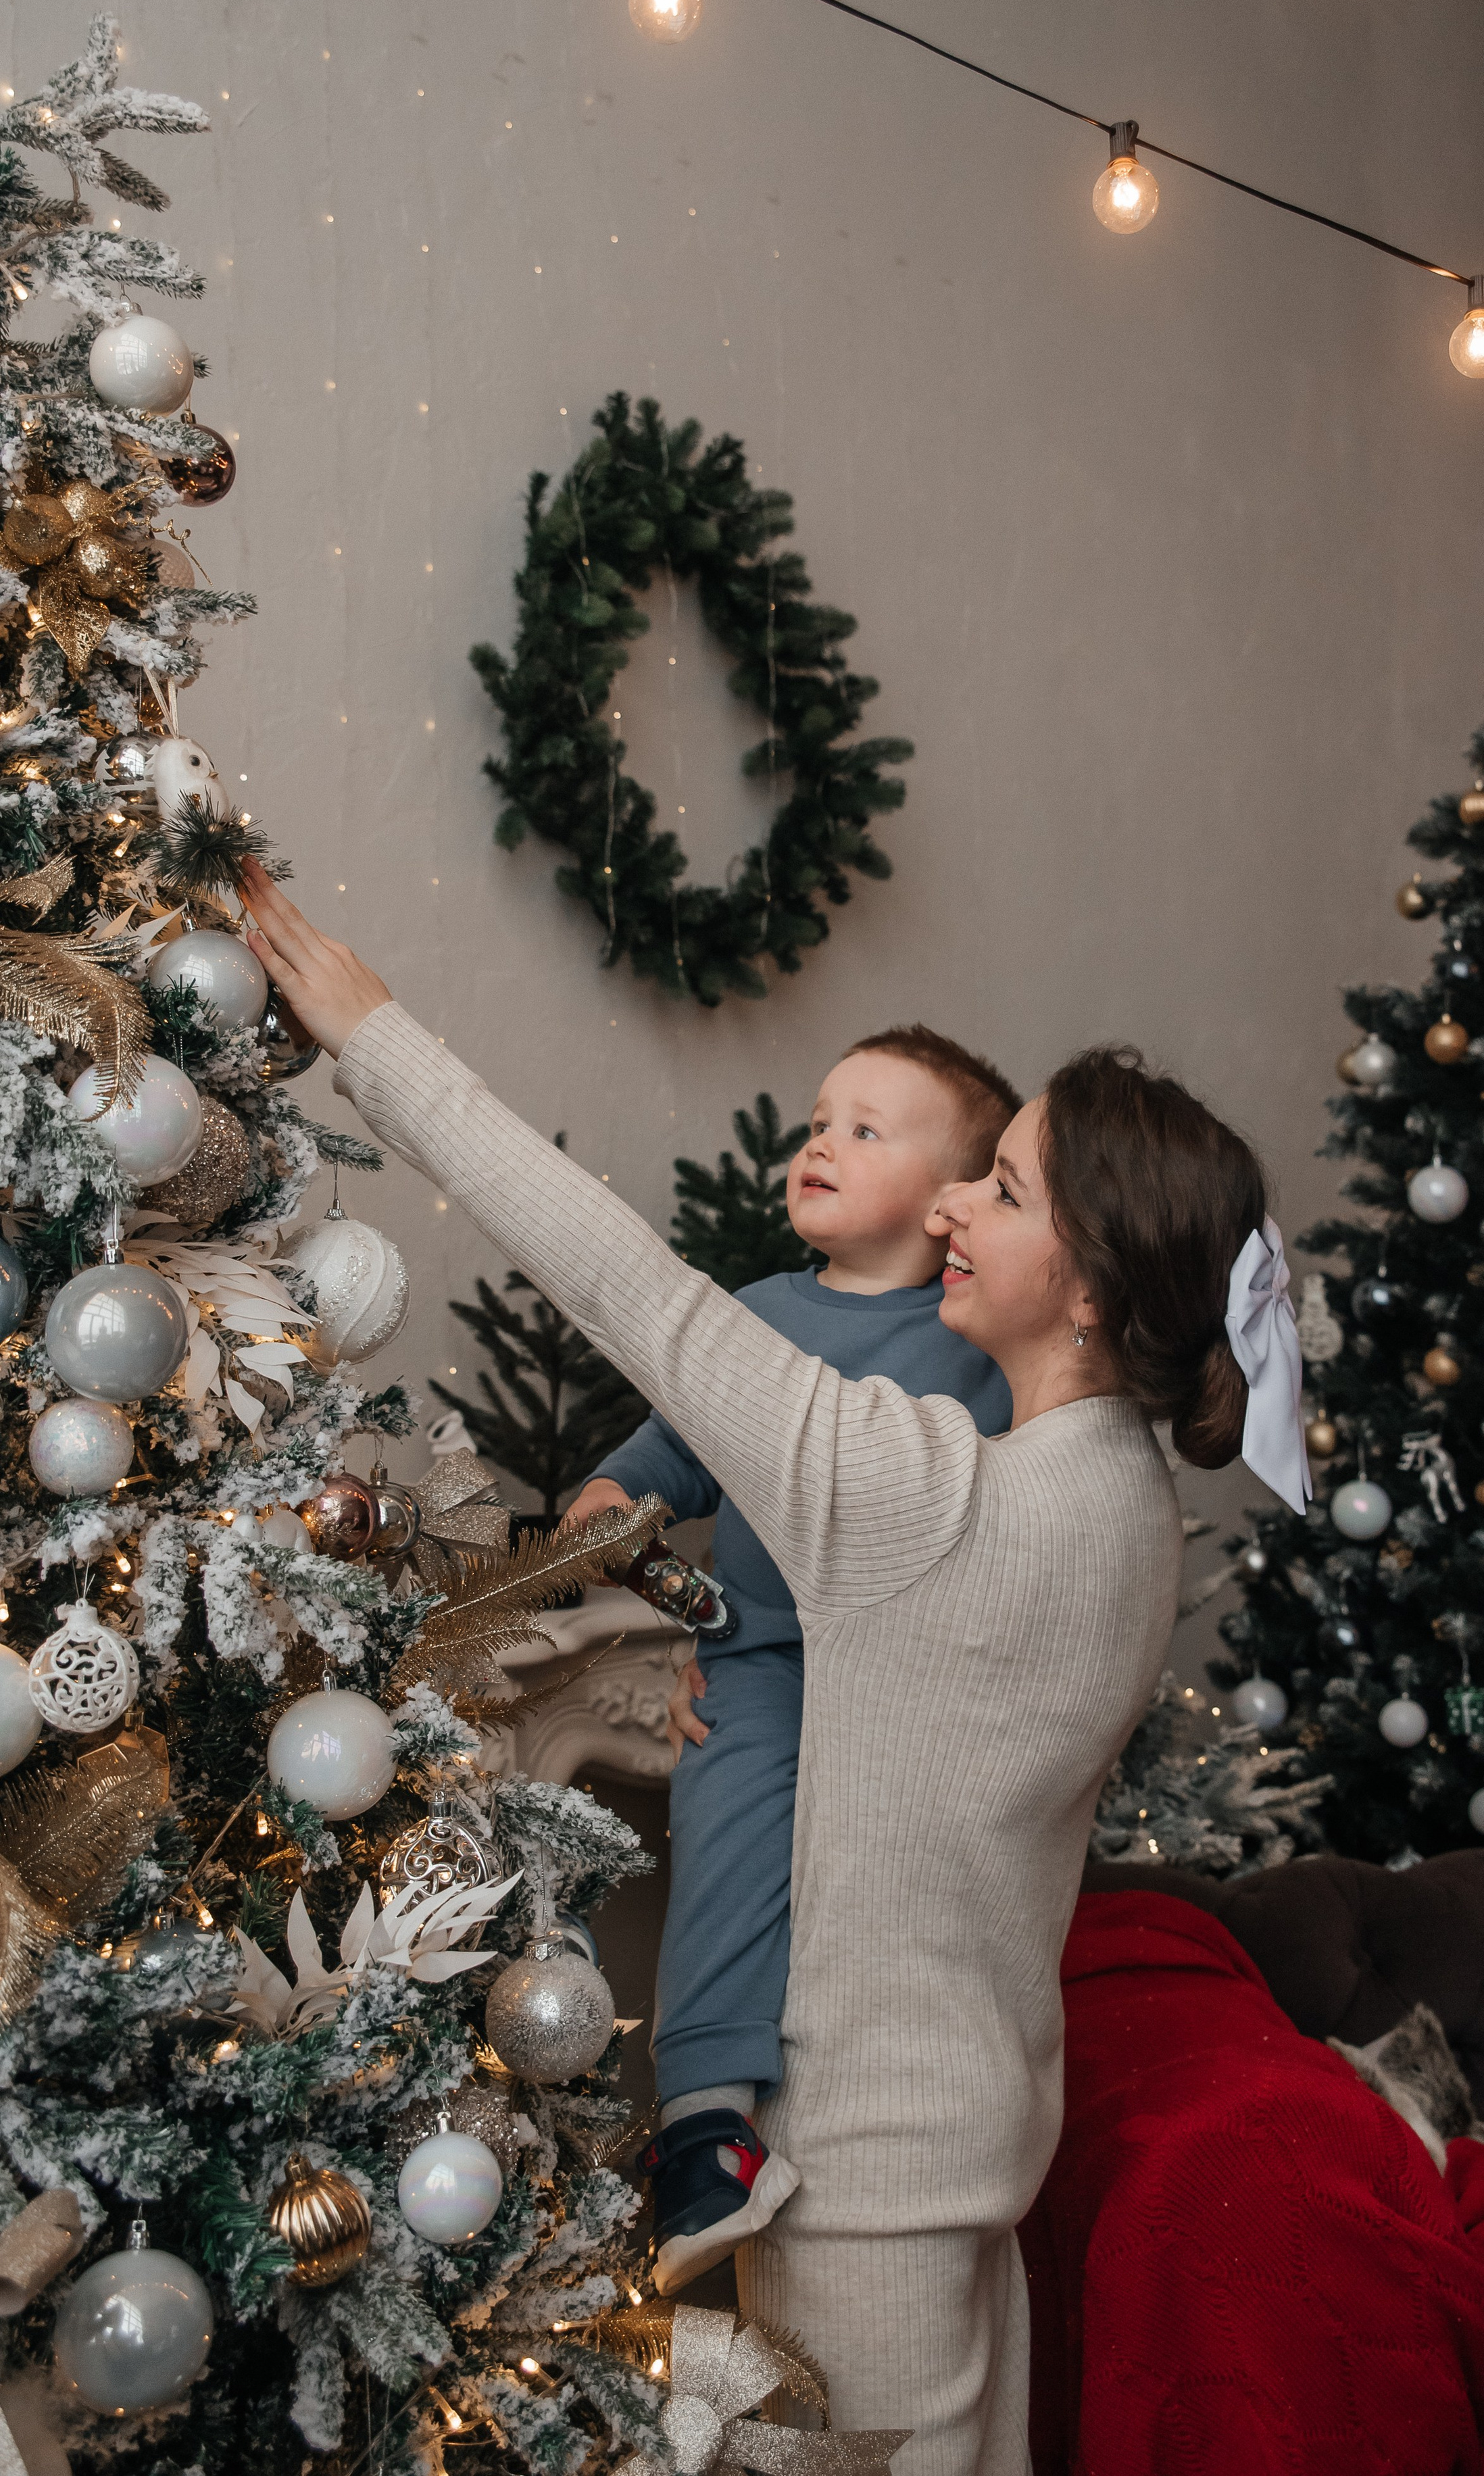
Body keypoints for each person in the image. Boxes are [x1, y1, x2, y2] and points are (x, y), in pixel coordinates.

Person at [241, 858, 1310, 2476]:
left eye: (1001, 1190)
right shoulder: (1116, 1501)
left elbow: (625, 1285)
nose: (951, 1204)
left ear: (1087, 1290)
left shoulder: (929, 1498)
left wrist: (368, 1035)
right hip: (971, 2143)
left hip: (864, 2179)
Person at [566, 1027, 1019, 2294]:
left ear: (953, 1207)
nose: (822, 1141)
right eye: (822, 1118)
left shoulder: (979, 1344)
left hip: (921, 1681)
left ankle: (901, 2092)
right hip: (763, 1661)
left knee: (891, 1897)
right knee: (728, 1827)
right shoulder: (754, 1320)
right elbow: (667, 1454)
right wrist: (618, 1503)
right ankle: (708, 2127)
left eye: (867, 1129)